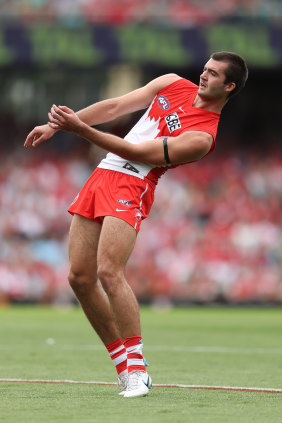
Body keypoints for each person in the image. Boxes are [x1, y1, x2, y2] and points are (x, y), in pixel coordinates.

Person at [24, 51, 248, 398]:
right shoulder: (172, 83)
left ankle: (138, 370)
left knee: (109, 272)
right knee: (79, 277)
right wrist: (56, 126)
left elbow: (139, 154)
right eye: (205, 68)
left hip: (133, 182)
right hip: (103, 174)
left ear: (229, 86)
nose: (204, 75)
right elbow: (115, 107)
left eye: (214, 74)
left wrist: (81, 130)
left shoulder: (203, 137)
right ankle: (122, 367)